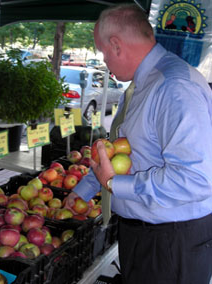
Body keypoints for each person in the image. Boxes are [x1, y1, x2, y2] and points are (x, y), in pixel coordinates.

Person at [65, 4, 212, 284]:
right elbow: (127, 152)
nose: (105, 61)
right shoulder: (145, 85)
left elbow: (195, 179)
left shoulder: (174, 87)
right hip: (148, 235)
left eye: (103, 52)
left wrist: (114, 185)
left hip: (169, 241)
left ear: (116, 45)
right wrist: (87, 188)